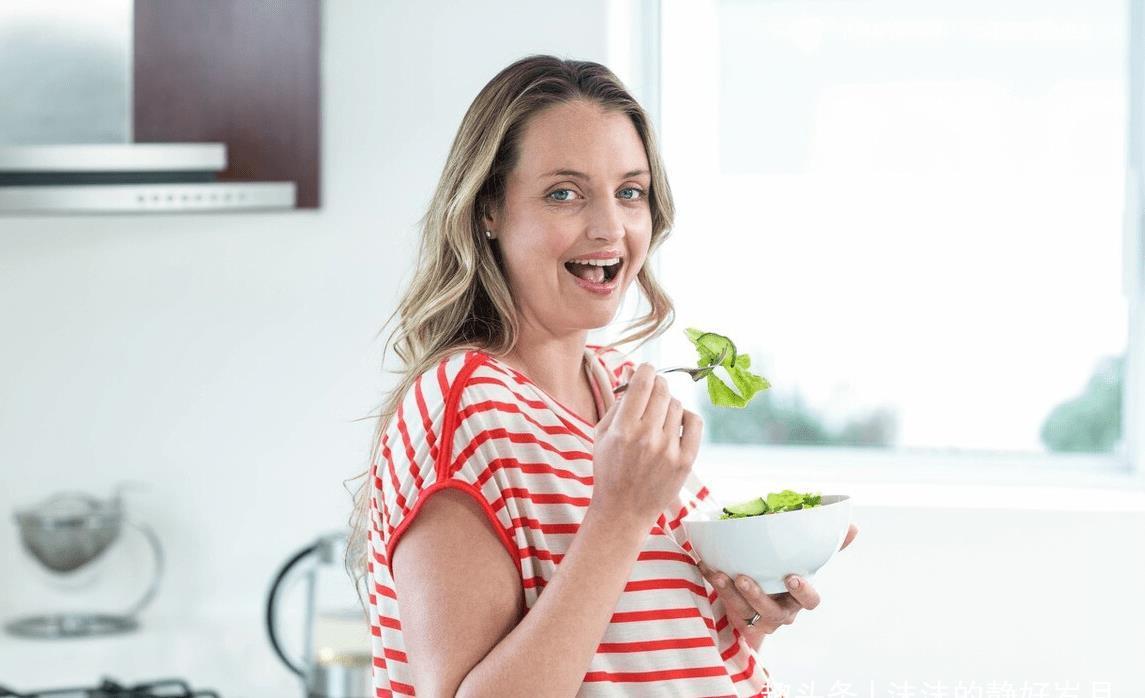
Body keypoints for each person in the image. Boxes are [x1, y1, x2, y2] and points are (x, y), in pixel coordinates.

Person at [347, 54, 858, 698]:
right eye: (564, 193)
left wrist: (746, 617)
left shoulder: (619, 388)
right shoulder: (461, 407)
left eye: (630, 192)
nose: (610, 227)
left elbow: (644, 655)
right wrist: (620, 514)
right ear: (488, 210)